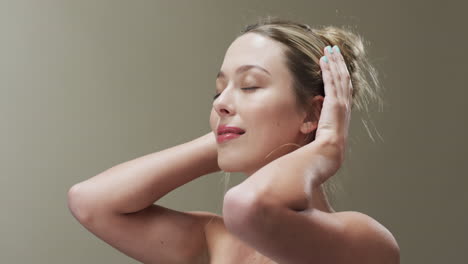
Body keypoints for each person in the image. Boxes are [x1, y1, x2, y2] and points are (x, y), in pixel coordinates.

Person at [67, 16, 400, 264]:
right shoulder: (216, 241)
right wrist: (224, 136)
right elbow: (91, 202)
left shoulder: (364, 241)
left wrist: (326, 144)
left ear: (312, 114)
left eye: (250, 85)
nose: (220, 103)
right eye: (218, 89)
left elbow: (249, 208)